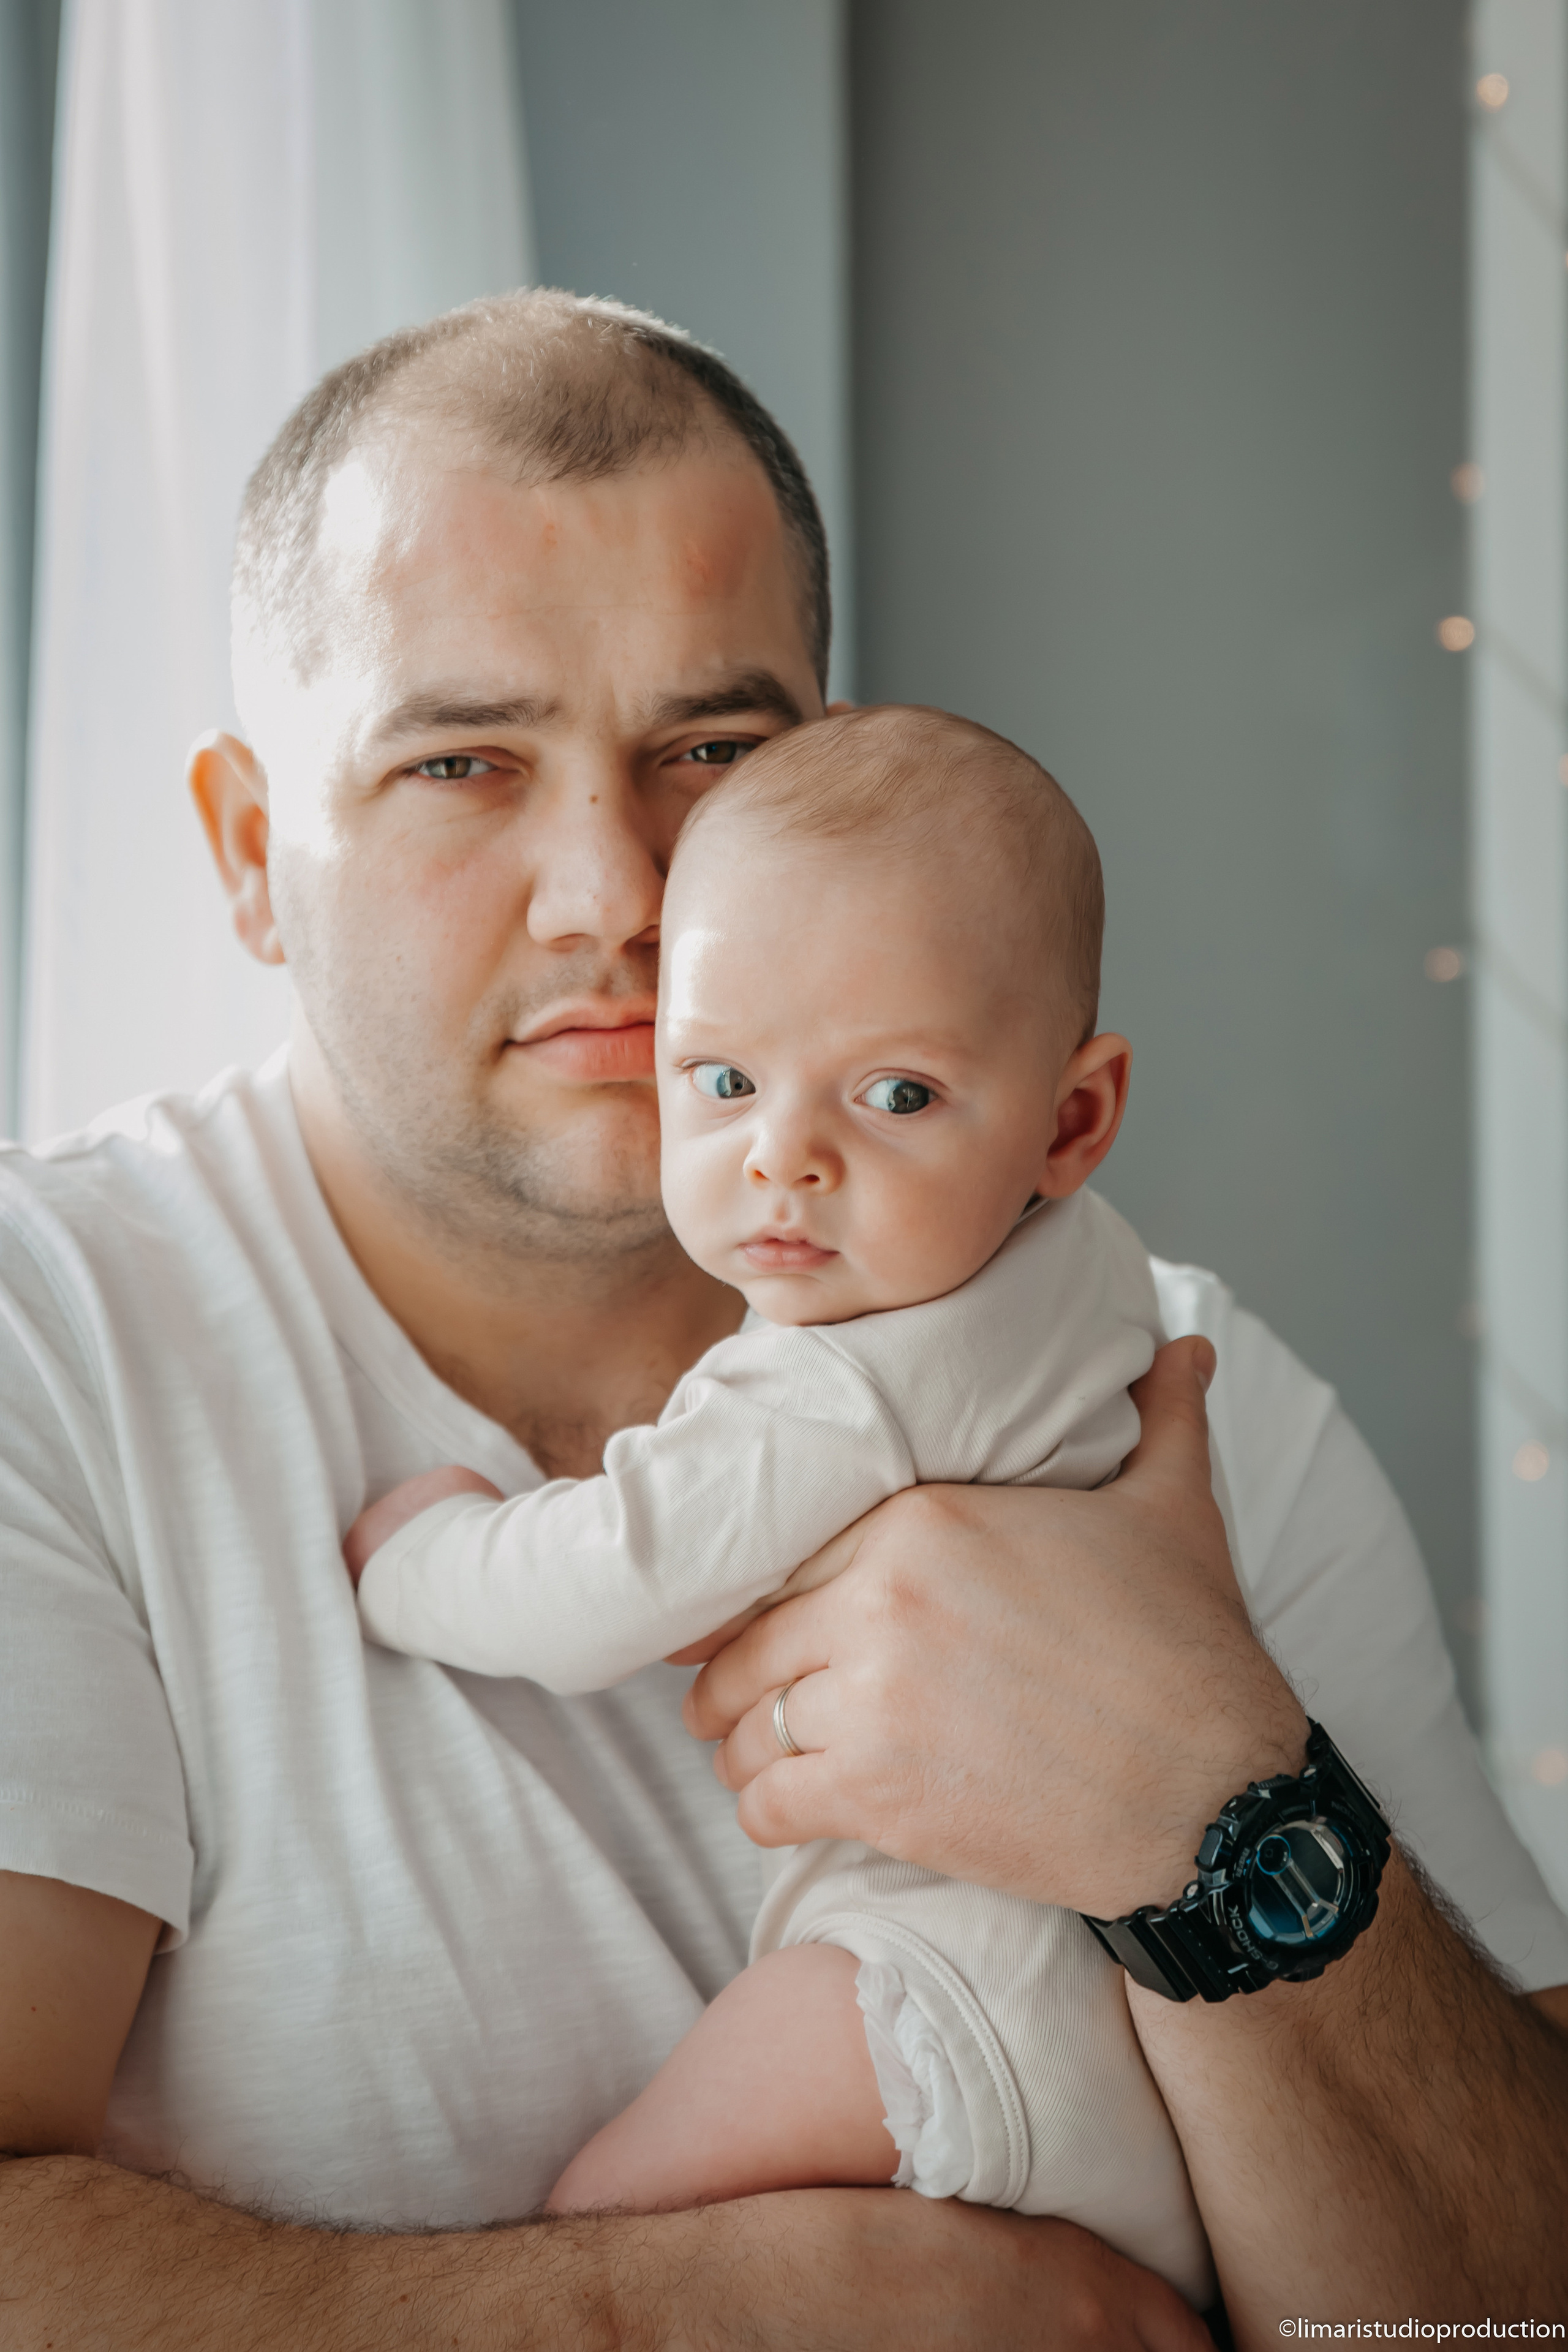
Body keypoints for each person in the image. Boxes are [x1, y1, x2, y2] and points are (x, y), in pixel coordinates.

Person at [0, 290, 1564, 2351]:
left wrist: (1201, 1785)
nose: (615, 891)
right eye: (463, 762)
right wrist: (733, 2308)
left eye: (712, 752)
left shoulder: (1182, 1395)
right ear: (248, 854)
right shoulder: (56, 1352)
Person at [345, 704, 1210, 2304]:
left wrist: (425, 1556)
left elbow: (616, 1576)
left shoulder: (838, 1384)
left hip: (928, 1991)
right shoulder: (1084, 1274)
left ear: (1070, 1118)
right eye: (726, 1079)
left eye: (893, 1098)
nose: (783, 1162)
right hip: (1132, 2034)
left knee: (596, 2235)